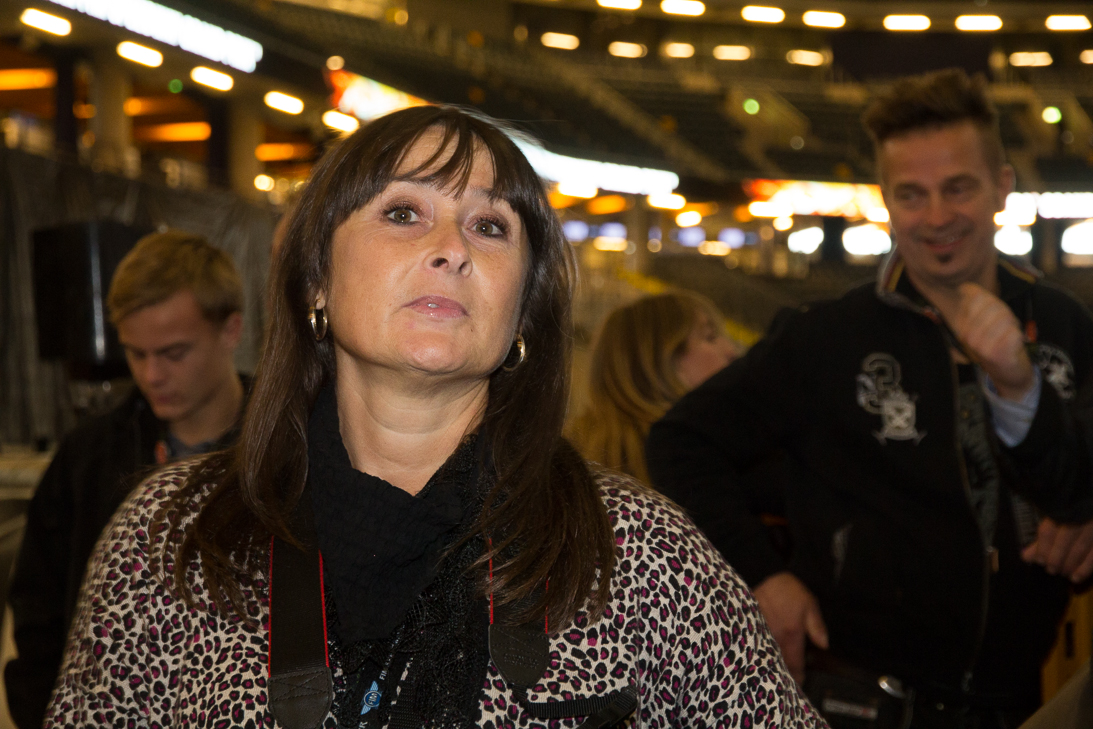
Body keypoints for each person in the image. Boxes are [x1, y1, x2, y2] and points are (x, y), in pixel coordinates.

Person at [45, 106, 824, 727]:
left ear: (522, 308)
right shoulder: (170, 538)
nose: (452, 247)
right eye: (402, 212)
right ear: (316, 279)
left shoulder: (640, 553)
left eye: (490, 226)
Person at [646, 68, 1093, 727]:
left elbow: (1082, 474)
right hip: (858, 703)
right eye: (911, 194)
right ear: (885, 201)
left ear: (1001, 187)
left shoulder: (1065, 326)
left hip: (1018, 704)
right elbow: (680, 440)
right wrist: (759, 576)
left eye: (957, 188)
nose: (935, 217)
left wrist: (1074, 488)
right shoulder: (826, 336)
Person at [6, 230, 249, 729]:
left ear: (231, 330)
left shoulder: (288, 448)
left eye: (174, 353)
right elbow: (38, 619)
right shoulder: (88, 458)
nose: (152, 374)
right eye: (136, 354)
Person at [568, 291, 737, 484]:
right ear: (659, 362)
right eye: (710, 337)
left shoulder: (574, 459)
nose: (731, 351)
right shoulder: (690, 461)